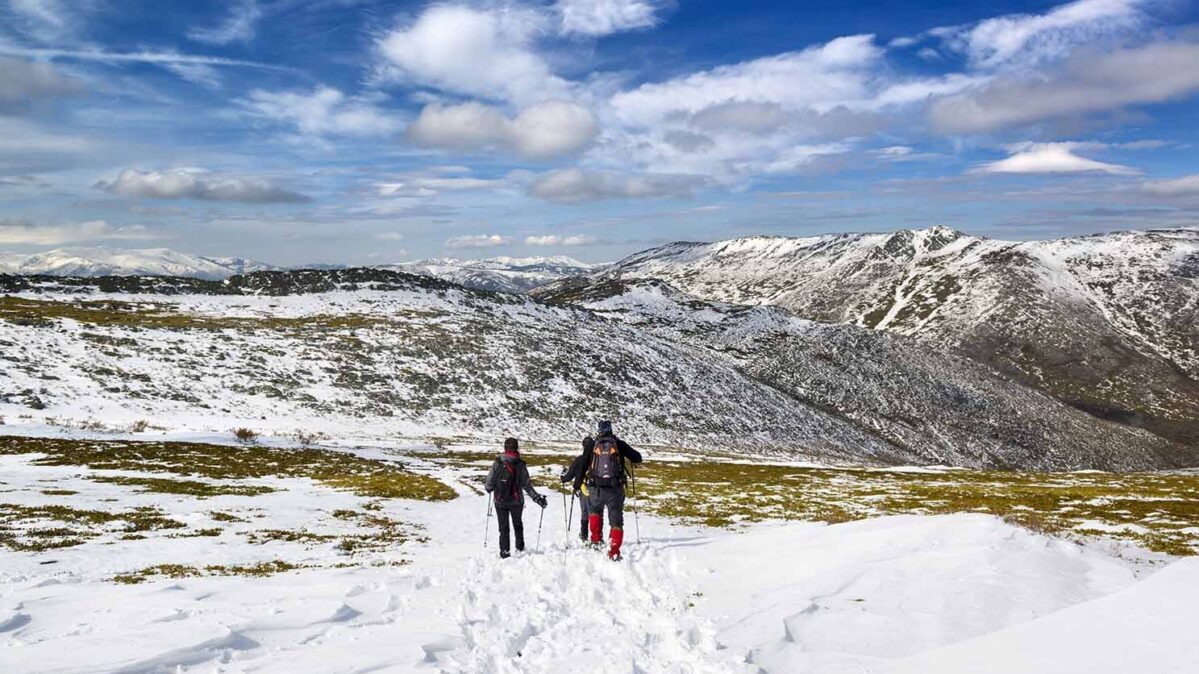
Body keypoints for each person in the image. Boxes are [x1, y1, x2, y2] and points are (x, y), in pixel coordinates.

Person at [585, 420, 642, 561]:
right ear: (611, 429)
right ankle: (614, 551)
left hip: (596, 488)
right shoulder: (618, 444)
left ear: (599, 430)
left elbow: (585, 461)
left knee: (595, 512)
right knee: (616, 521)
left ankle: (596, 541)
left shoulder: (593, 445)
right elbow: (637, 457)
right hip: (615, 489)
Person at [485, 438, 547, 559]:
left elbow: (489, 480)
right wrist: (537, 498)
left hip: (500, 500)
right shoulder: (520, 464)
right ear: (517, 448)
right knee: (517, 524)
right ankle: (520, 548)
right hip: (516, 501)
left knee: (503, 528)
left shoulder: (497, 462)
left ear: (505, 448)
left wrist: (489, 488)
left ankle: (505, 552)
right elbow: (527, 485)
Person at [560, 435, 596, 541]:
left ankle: (584, 536)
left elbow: (570, 475)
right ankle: (597, 537)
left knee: (585, 512)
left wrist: (563, 478)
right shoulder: (597, 459)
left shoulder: (579, 459)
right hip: (597, 489)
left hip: (584, 489)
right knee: (596, 513)